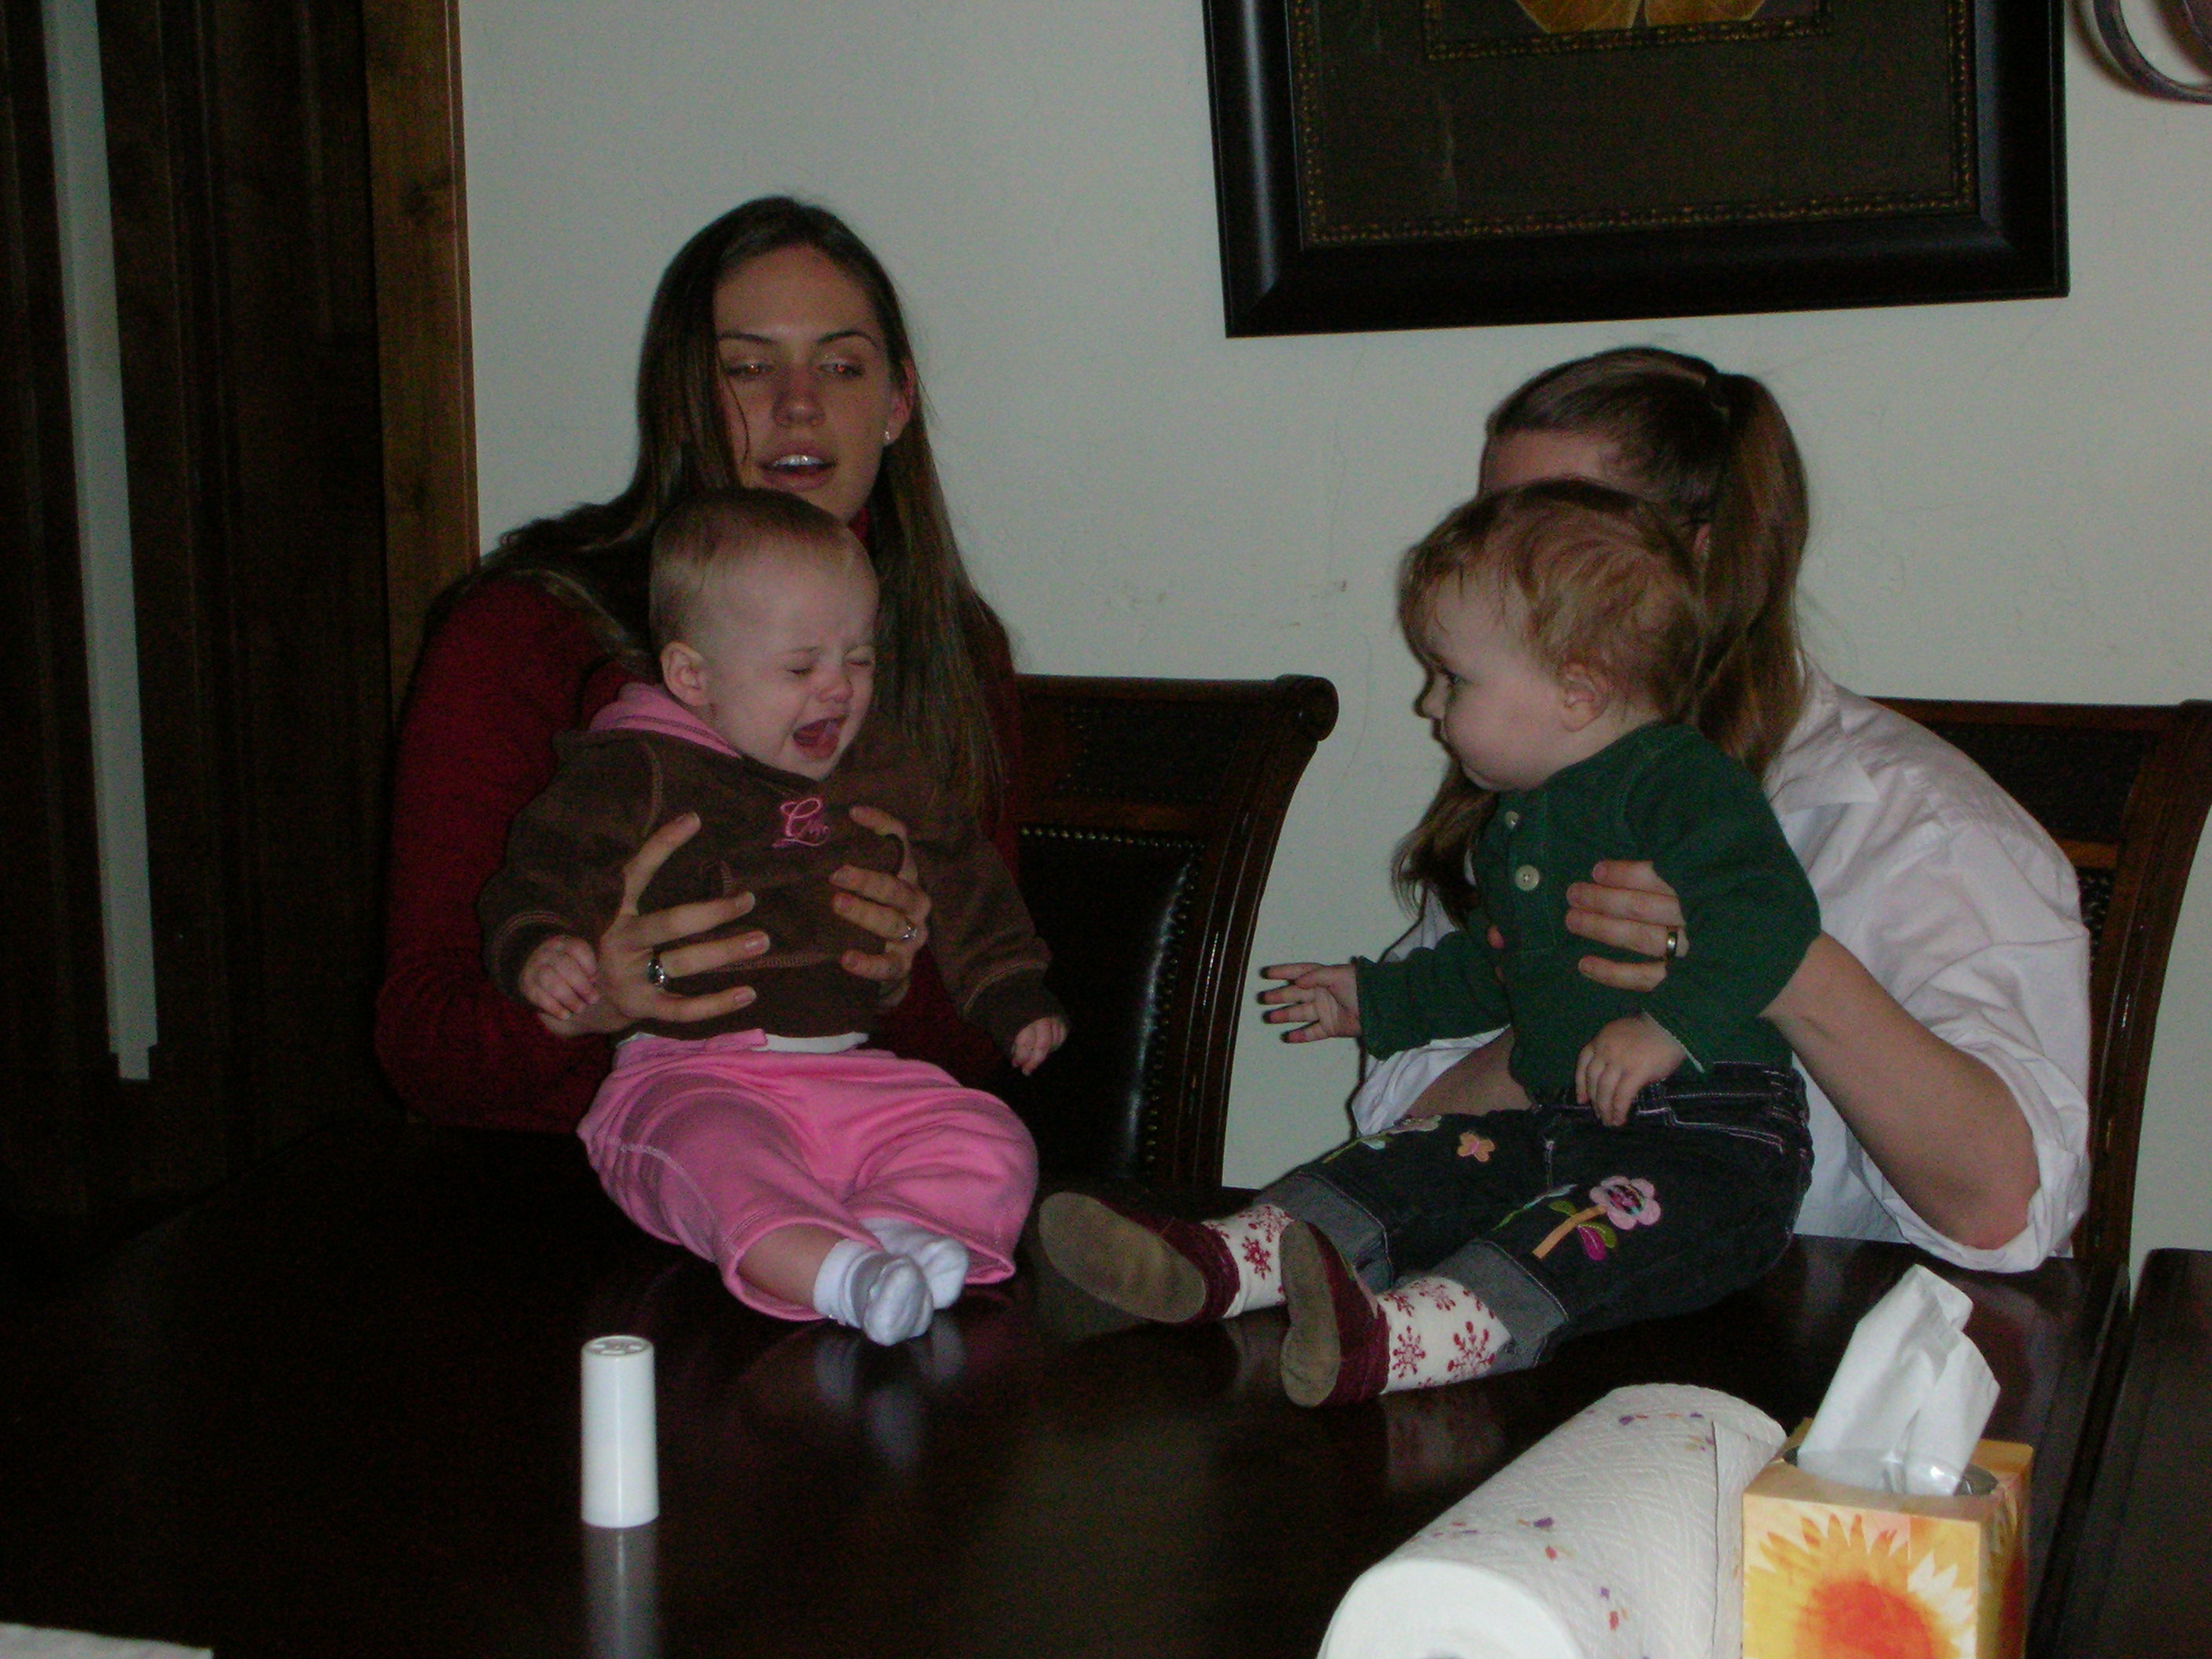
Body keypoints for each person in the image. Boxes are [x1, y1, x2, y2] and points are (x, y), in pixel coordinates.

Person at [1042, 479, 1822, 1404]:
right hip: (1563, 1122)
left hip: (1713, 1147)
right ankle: (1221, 1261)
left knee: (1569, 1241)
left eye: (1453, 679)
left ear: (1576, 693)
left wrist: (1669, 1027)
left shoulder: (1679, 782)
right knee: (1407, 1156)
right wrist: (1374, 999)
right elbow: (1497, 971)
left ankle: (1401, 1338)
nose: (1428, 704)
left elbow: (1772, 914)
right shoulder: (1519, 825)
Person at [378, 197, 1021, 1133]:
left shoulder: (952, 649)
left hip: (858, 1162)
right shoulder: (523, 632)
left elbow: (981, 1049)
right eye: (747, 367)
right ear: (681, 400)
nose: (797, 404)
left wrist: (900, 975)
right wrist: (589, 1002)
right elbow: (423, 1047)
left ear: (895, 404)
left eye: (841, 366)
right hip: (572, 1174)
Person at [482, 490, 1065, 1343]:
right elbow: (541, 865)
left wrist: (1008, 986)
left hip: (846, 1074)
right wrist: (541, 945)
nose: (839, 690)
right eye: (800, 669)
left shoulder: (879, 767)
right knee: (721, 1161)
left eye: (858, 659)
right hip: (690, 1076)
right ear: (693, 678)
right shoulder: (637, 768)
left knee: (987, 1133)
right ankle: (843, 1276)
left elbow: (963, 866)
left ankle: (902, 1229)